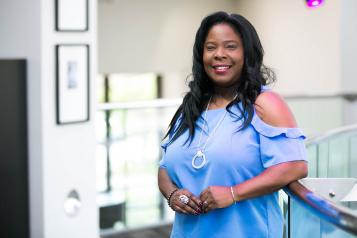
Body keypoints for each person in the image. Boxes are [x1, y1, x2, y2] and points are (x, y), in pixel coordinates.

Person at [158, 11, 308, 238]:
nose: (219, 54)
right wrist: (172, 194)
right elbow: (165, 167)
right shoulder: (192, 106)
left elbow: (295, 166)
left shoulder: (265, 103)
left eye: (230, 46)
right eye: (210, 47)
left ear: (247, 54)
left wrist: (233, 193)